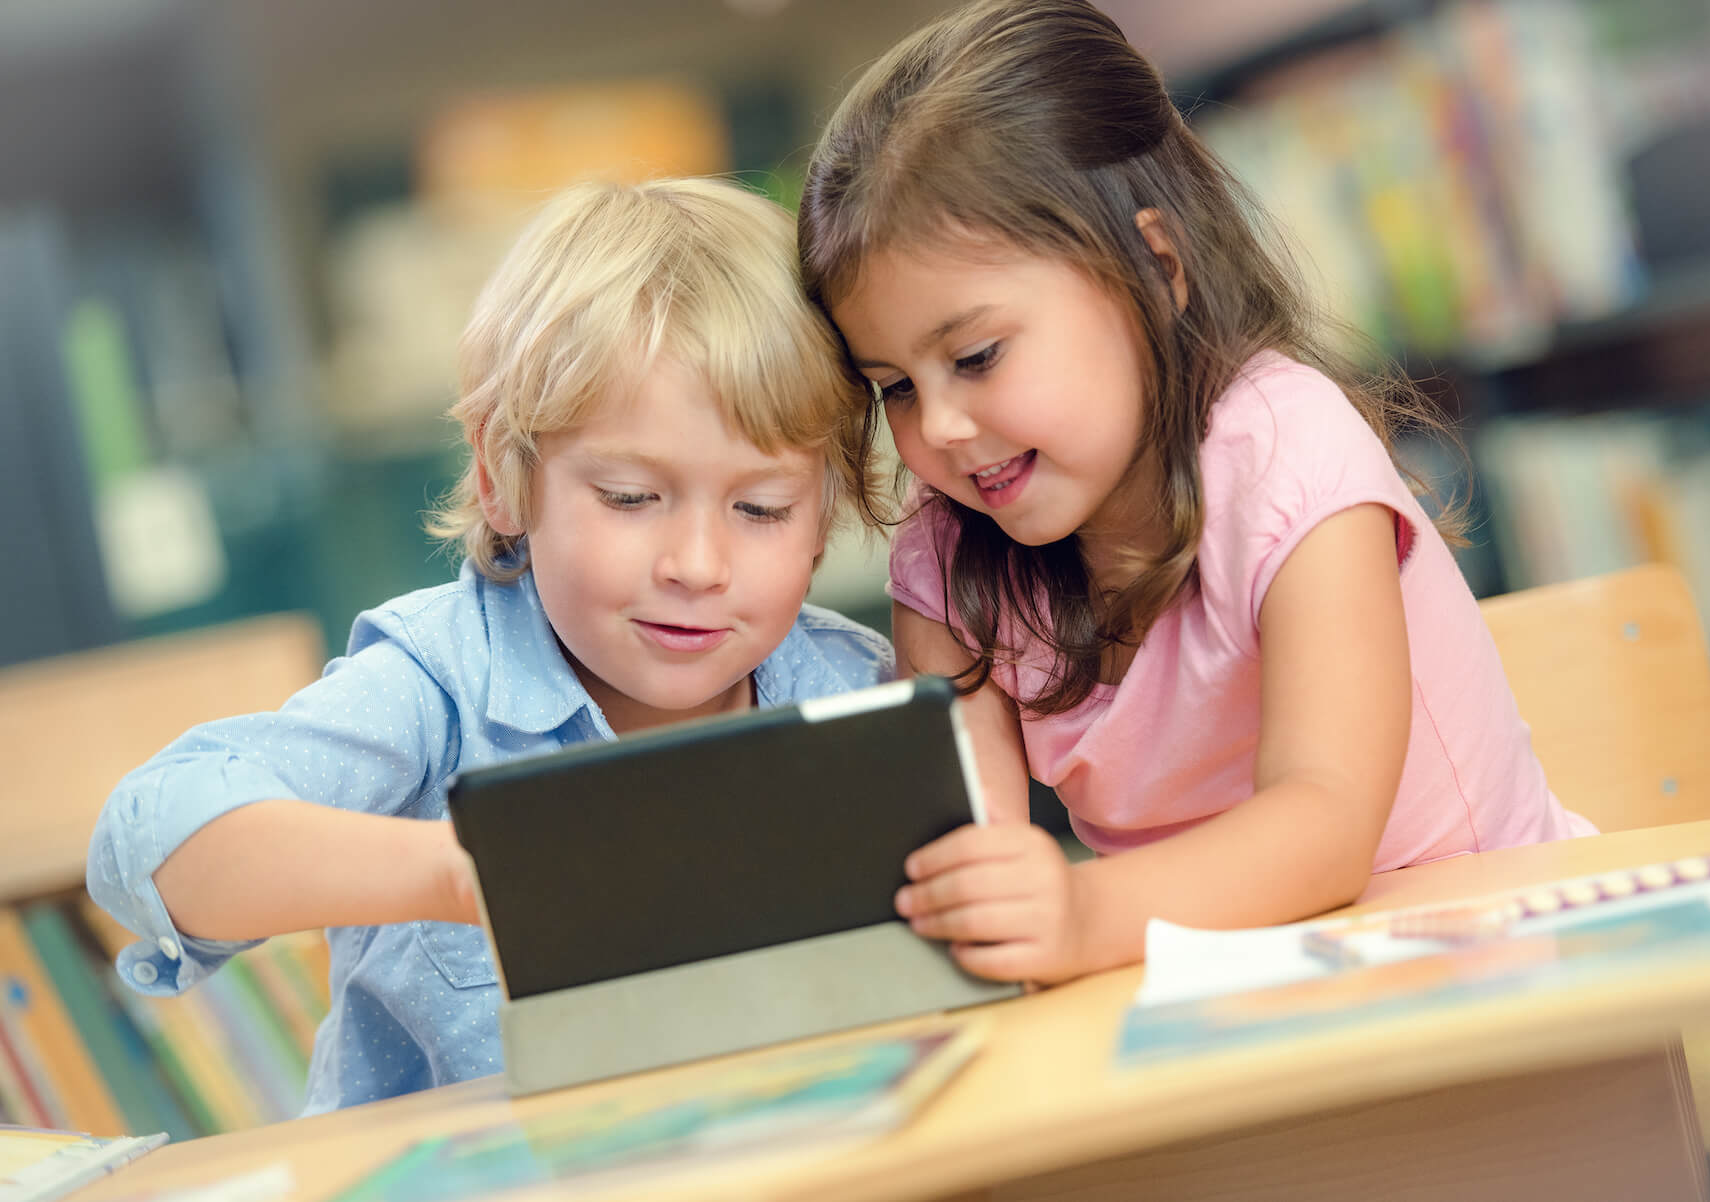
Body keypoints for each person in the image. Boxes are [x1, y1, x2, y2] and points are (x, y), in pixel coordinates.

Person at [797, 0, 1594, 988]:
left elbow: (1325, 824)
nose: (942, 428)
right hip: (1220, 997)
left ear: (1155, 267)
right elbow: (969, 853)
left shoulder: (1290, 453)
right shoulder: (951, 553)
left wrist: (1081, 908)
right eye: (897, 389)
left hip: (1493, 955)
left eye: (976, 355)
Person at [88, 177, 893, 1112]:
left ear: (824, 511)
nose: (698, 565)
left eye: (761, 508)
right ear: (499, 475)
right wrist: (463, 868)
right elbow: (152, 836)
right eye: (632, 498)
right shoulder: (436, 687)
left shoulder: (857, 688)